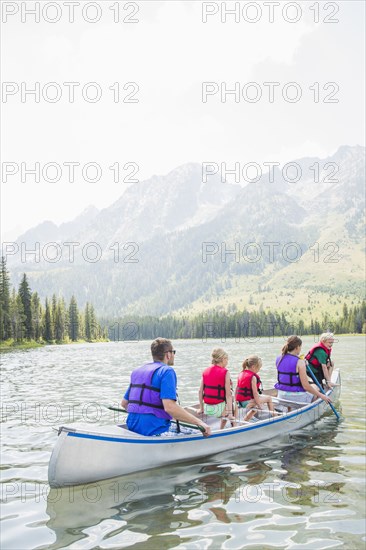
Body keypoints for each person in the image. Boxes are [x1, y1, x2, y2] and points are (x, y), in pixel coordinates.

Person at [122, 338, 211, 437]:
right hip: (155, 431)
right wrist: (199, 422)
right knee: (196, 433)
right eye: (173, 352)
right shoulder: (167, 371)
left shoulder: (137, 371)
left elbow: (124, 404)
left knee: (181, 428)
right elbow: (169, 407)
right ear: (168, 354)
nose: (173, 355)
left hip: (133, 428)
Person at [275, 335, 333, 404]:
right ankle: (309, 406)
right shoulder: (300, 362)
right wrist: (322, 396)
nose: (300, 349)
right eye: (300, 347)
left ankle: (289, 408)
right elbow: (306, 386)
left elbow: (289, 367)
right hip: (296, 398)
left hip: (281, 395)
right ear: (297, 347)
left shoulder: (278, 358)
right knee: (316, 387)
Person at [198, 348, 235, 429]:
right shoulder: (225, 372)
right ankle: (234, 427)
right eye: (227, 359)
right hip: (219, 410)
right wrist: (230, 414)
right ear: (223, 359)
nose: (227, 362)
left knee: (227, 402)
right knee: (232, 402)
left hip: (207, 409)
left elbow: (200, 391)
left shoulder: (205, 371)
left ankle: (221, 428)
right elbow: (228, 396)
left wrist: (201, 408)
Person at [235, 355, 275, 421]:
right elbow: (255, 393)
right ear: (253, 367)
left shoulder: (241, 374)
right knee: (269, 398)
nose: (258, 370)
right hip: (247, 402)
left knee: (254, 409)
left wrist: (236, 401)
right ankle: (275, 417)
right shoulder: (253, 377)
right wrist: (259, 405)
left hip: (240, 402)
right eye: (258, 368)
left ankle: (243, 422)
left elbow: (237, 389)